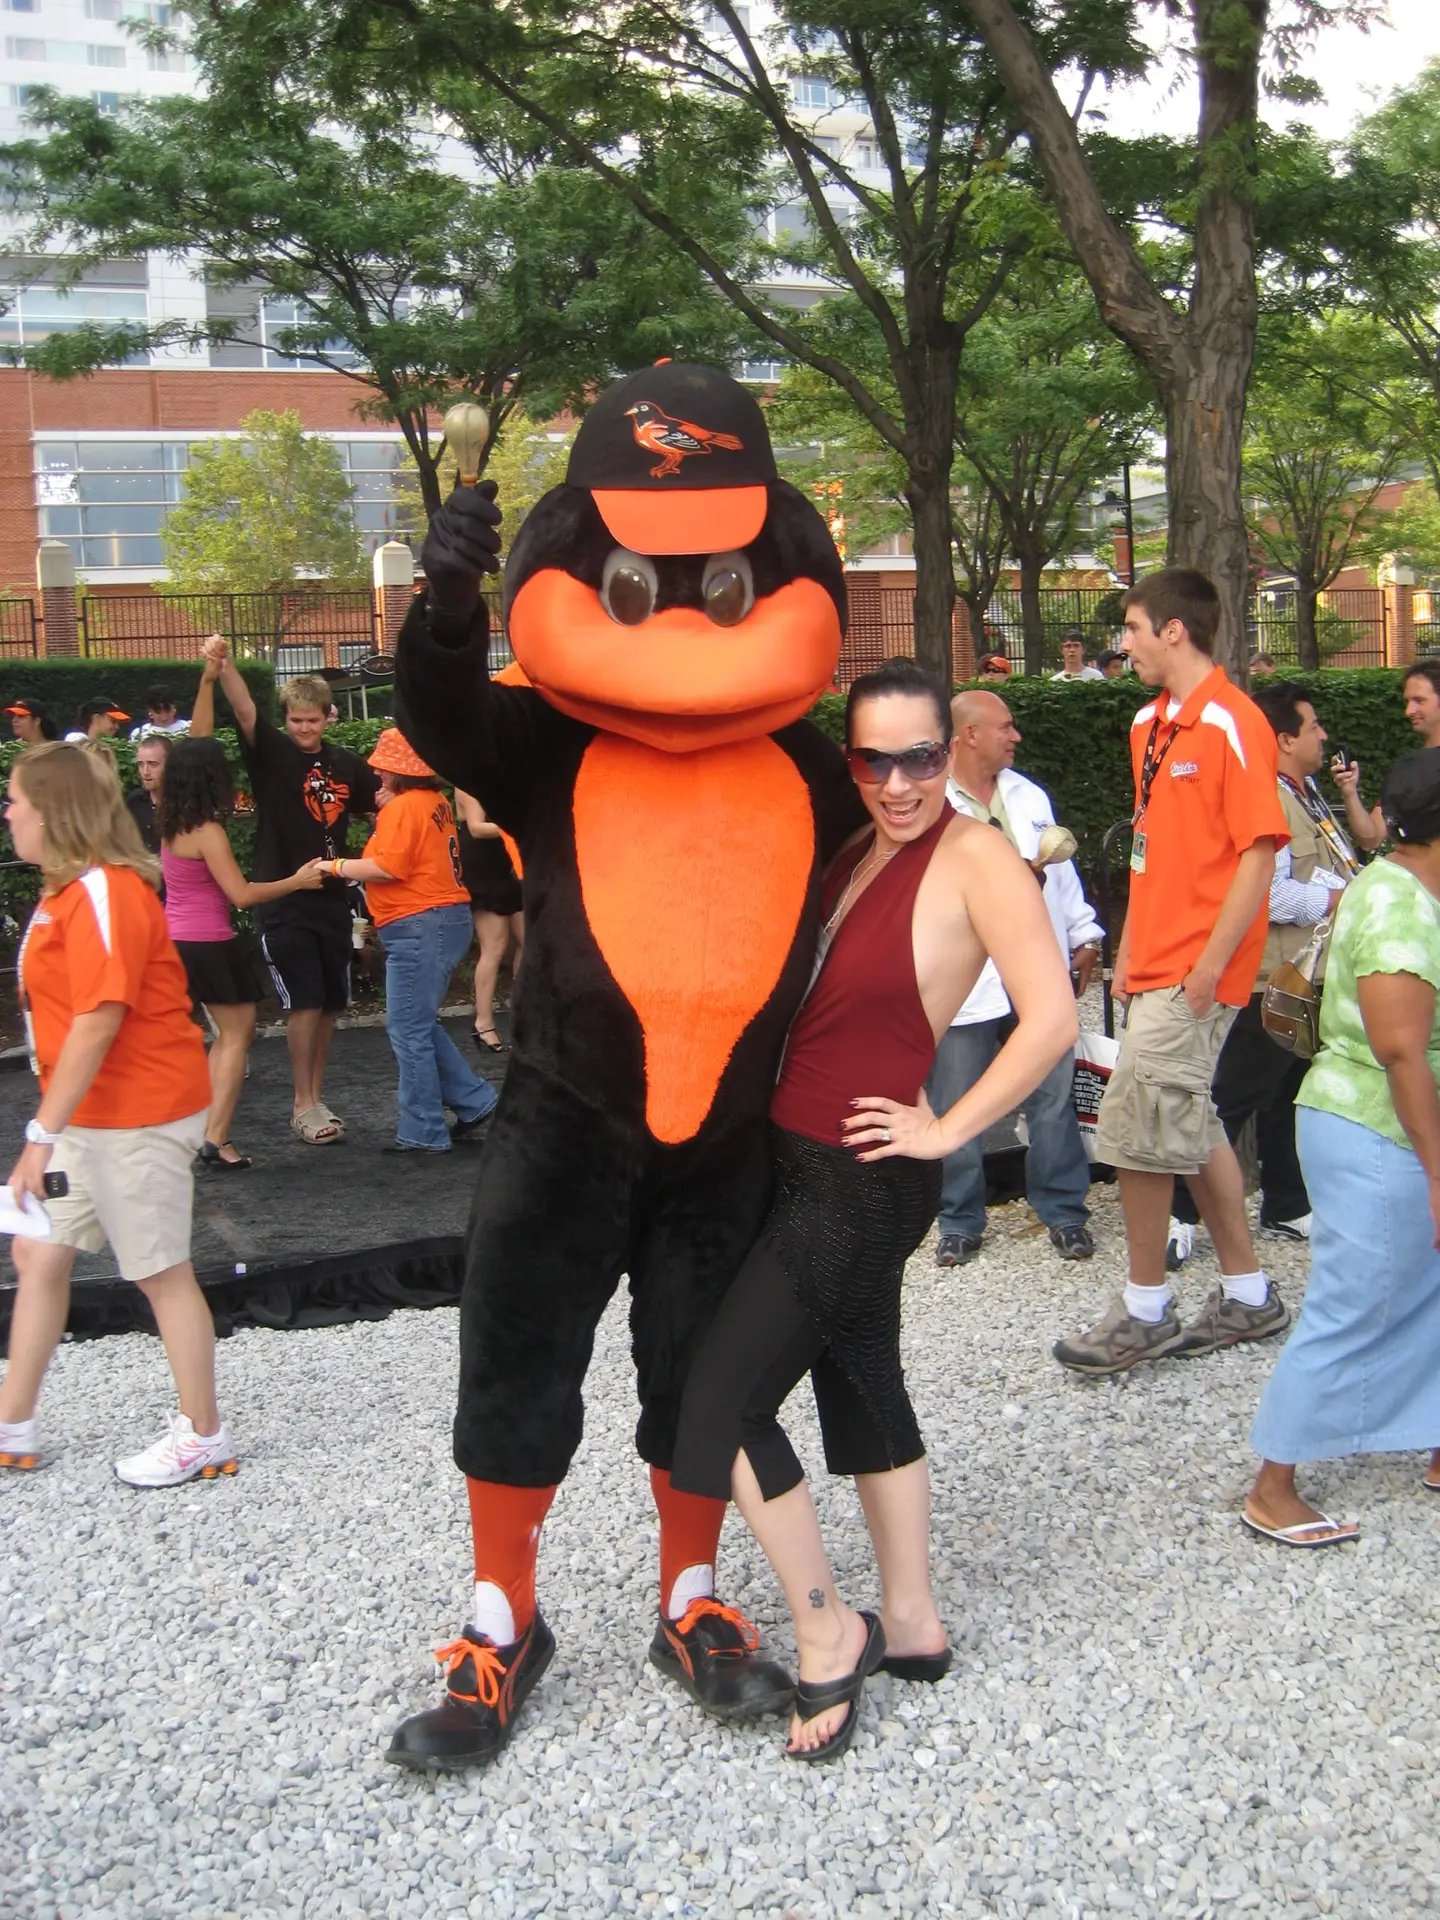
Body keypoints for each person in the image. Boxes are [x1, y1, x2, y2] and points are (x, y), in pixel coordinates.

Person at [385, 361, 868, 1773]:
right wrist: (449, 608)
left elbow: (898, 885)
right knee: (518, 1348)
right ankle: (501, 1616)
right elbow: (443, 717)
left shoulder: (815, 765)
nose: (685, 627)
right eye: (639, 584)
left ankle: (689, 1597)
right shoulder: (547, 739)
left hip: (729, 1133)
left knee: (704, 1366)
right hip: (568, 1116)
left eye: (726, 586)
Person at [671, 657, 1077, 1760]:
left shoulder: (976, 856)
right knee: (860, 1377)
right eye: (874, 760)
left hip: (860, 1175)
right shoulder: (861, 846)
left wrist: (951, 1128)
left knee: (721, 1403)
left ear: (952, 751)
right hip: (812, 1162)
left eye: (920, 758)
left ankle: (827, 1630)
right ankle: (912, 1619)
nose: (898, 782)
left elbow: (1051, 1015)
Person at [1053, 567, 1292, 1376]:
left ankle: (1145, 1311)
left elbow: (1258, 856)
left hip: (1196, 969)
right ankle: (1249, 1295)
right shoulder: (1147, 725)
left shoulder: (1233, 720)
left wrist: (1208, 967)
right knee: (1190, 1124)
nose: (1123, 644)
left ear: (1173, 631)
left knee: (1138, 1133)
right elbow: (1156, 851)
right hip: (1158, 963)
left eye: (1130, 629)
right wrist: (1128, 953)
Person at [0, 743, 234, 1487]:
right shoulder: (70, 892)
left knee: (160, 1271)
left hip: (138, 1111)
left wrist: (40, 1135)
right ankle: (12, 1423)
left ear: (52, 811)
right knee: (39, 1254)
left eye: (15, 800)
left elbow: (100, 1018)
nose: (8, 813)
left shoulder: (102, 890)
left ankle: (203, 1435)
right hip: (92, 1112)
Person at [1242, 749, 1440, 1548]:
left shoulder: (1399, 884)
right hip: (1378, 1128)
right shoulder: (1399, 906)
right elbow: (1399, 1048)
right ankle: (1273, 1484)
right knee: (1354, 1301)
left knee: (1425, 1290)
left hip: (1382, 1124)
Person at [1166, 684, 1359, 1268]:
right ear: (1284, 739)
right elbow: (1265, 894)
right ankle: (1179, 1214)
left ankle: (1286, 1204)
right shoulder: (1265, 798)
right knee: (1232, 1096)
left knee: (1290, 1092)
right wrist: (1339, 899)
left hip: (1303, 978)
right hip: (1269, 982)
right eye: (1314, 726)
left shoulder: (1305, 792)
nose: (1324, 735)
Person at [929, 689, 1102, 1264]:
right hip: (964, 980)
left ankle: (1064, 1211)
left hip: (1034, 969)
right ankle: (958, 1220)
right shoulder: (931, 801)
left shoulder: (1027, 795)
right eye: (1005, 727)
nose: (1016, 736)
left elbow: (1064, 875)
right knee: (956, 1103)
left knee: (1053, 1098)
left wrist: (1086, 935)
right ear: (969, 734)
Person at [191, 637, 379, 1145]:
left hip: (333, 898)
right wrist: (224, 665)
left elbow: (379, 803)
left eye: (312, 720)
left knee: (330, 1005)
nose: (303, 728)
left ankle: (316, 1097)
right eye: (295, 720)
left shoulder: (347, 763)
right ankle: (302, 1103)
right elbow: (245, 711)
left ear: (328, 716)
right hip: (284, 897)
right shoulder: (272, 754)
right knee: (305, 1003)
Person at [327, 730, 498, 1153]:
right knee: (416, 1024)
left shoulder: (405, 807)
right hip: (436, 920)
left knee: (409, 1029)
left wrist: (333, 866)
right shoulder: (432, 801)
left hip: (420, 923)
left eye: (383, 766)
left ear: (398, 771)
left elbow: (388, 867)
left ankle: (424, 1130)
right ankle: (472, 1100)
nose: (376, 772)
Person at [160, 736, 327, 1169]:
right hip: (209, 941)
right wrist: (298, 881)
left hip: (179, 939)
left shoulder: (171, 824)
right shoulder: (208, 832)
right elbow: (241, 894)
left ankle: (209, 1132)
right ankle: (217, 1139)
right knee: (237, 1034)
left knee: (227, 1035)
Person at [1332, 660, 1440, 854]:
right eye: (1408, 701)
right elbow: (1371, 838)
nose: (1409, 711)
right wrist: (1349, 792)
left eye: (1419, 700)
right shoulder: (1407, 769)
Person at [453, 787, 524, 1054]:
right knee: (494, 946)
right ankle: (483, 1022)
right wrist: (522, 827)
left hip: (506, 863)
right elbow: (477, 828)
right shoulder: (469, 784)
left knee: (529, 940)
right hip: (482, 865)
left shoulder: (500, 779)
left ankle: (523, 1009)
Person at [126, 734, 171, 856]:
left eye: (152, 764)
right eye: (141, 764)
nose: (145, 772)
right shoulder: (134, 801)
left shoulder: (182, 804)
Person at [64, 696, 129, 745]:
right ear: (97, 718)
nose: (117, 727)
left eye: (118, 723)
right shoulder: (75, 743)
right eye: (113, 721)